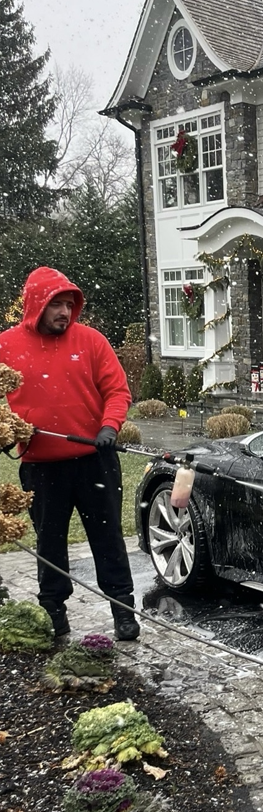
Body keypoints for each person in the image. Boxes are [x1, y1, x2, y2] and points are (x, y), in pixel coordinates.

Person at [0, 266, 139, 642]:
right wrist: (5, 434)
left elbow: (117, 390)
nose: (65, 312)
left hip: (95, 460)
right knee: (50, 542)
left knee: (108, 537)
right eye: (55, 304)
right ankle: (54, 613)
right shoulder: (5, 346)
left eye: (69, 305)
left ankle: (123, 610)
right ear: (35, 305)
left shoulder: (91, 341)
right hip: (41, 467)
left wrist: (109, 426)